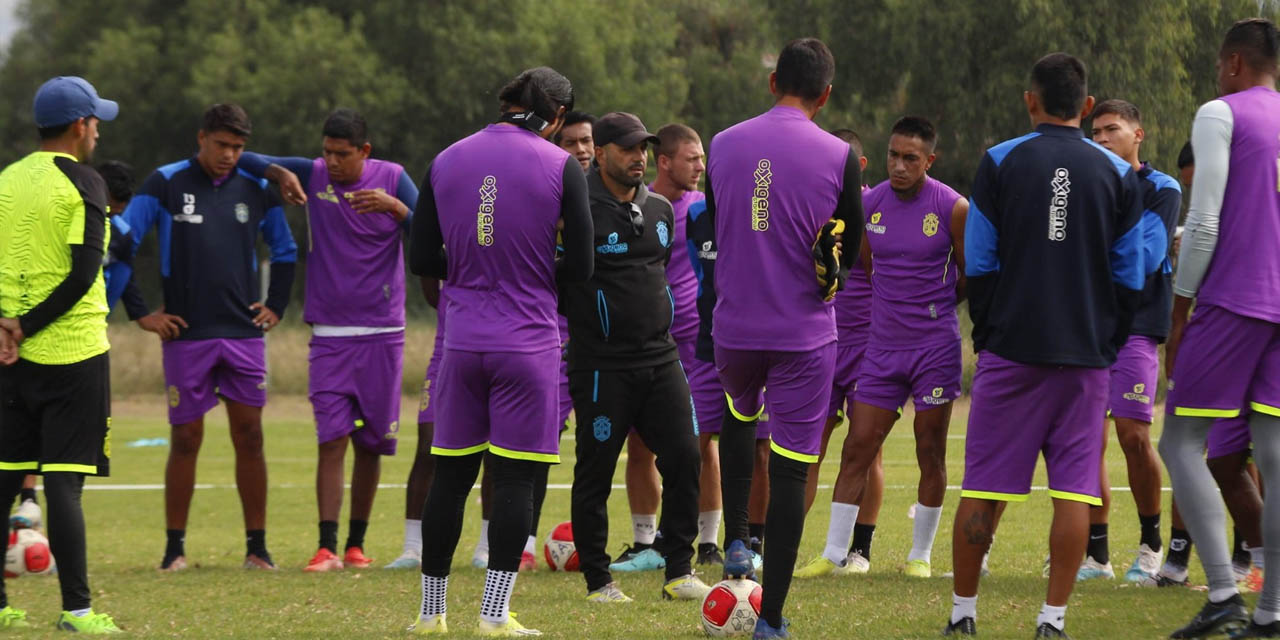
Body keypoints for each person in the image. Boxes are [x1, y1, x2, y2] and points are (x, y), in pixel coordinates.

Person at [945, 52, 1144, 638]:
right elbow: (1132, 273)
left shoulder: (1000, 161)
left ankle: (962, 616)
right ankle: (1052, 620)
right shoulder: (1117, 173)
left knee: (982, 485)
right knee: (1075, 491)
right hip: (1085, 360)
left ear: (1030, 101)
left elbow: (978, 261)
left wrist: (987, 335)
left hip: (1012, 354)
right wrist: (1106, 341)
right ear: (1086, 108)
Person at [407, 66, 592, 636]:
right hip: (528, 342)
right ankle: (493, 614)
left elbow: (423, 259)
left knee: (451, 479)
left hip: (461, 342)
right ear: (556, 117)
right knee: (514, 482)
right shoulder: (560, 165)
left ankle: (431, 613)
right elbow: (582, 267)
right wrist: (537, 268)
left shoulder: (447, 158)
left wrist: (472, 265)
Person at [708, 37, 863, 638]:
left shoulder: (722, 143)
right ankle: (770, 619)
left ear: (773, 82)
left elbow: (726, 220)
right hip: (803, 334)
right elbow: (847, 248)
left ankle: (738, 545)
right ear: (826, 94)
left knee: (738, 420)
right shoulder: (839, 154)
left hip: (735, 327)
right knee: (795, 467)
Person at [237, 108, 419, 572]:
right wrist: (280, 173)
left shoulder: (395, 179)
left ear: (365, 152)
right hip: (330, 335)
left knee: (373, 445)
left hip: (384, 333)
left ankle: (357, 545)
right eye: (327, 152)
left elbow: (432, 236)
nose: (333, 162)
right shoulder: (313, 174)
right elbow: (247, 157)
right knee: (331, 440)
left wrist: (398, 211)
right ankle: (327, 546)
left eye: (342, 154)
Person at [122, 103, 298, 572]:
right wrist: (141, 313)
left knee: (251, 437)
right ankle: (174, 550)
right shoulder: (164, 182)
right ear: (201, 138)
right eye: (221, 145)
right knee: (185, 439)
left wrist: (276, 306)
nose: (229, 155)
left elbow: (285, 250)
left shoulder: (257, 186)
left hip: (243, 334)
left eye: (238, 147)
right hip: (186, 335)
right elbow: (123, 244)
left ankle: (257, 549)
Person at [799, 116, 966, 580]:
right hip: (883, 348)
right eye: (893, 155)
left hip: (935, 348)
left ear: (929, 160)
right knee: (857, 447)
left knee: (929, 450)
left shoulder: (953, 208)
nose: (899, 165)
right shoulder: (868, 205)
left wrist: (930, 309)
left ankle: (920, 555)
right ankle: (833, 553)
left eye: (910, 158)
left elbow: (968, 274)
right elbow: (867, 267)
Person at [1159, 18, 1280, 639]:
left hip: (1235, 297)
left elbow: (1202, 220)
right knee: (1276, 456)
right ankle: (1271, 609)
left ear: (1234, 62)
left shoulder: (1220, 112)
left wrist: (1180, 308)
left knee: (1179, 442)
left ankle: (1225, 593)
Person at [561, 112, 708, 603]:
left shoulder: (663, 210)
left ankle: (680, 568)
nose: (638, 157)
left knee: (687, 457)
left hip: (661, 359)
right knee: (596, 470)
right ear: (600, 153)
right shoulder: (574, 206)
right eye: (627, 149)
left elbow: (656, 277)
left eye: (642, 148)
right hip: (601, 365)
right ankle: (599, 579)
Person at [0, 75, 122, 632]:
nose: (97, 129)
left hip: (7, 357)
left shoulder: (7, 180)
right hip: (72, 353)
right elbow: (83, 273)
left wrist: (6, 328)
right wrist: (25, 326)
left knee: (5, 480)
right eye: (96, 120)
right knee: (63, 484)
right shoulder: (85, 182)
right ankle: (77, 609)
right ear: (80, 125)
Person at [1078, 98, 1182, 583]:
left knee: (1133, 435)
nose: (1101, 139)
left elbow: (1146, 254)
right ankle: (1096, 556)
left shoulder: (1162, 188)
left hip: (1137, 325)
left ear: (1137, 135)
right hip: (1088, 327)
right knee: (1087, 440)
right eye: (1095, 132)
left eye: (1111, 130)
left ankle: (1150, 545)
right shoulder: (1083, 184)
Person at [611, 122, 719, 573]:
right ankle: (644, 542)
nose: (700, 167)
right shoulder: (637, 204)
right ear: (665, 161)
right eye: (692, 159)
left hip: (695, 342)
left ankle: (708, 541)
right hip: (647, 339)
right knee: (639, 444)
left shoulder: (702, 208)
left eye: (702, 159)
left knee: (701, 442)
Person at [799, 128, 884, 576]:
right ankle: (788, 546)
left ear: (861, 165)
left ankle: (860, 551)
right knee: (809, 447)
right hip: (819, 340)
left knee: (866, 449)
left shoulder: (876, 207)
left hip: (868, 344)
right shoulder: (810, 203)